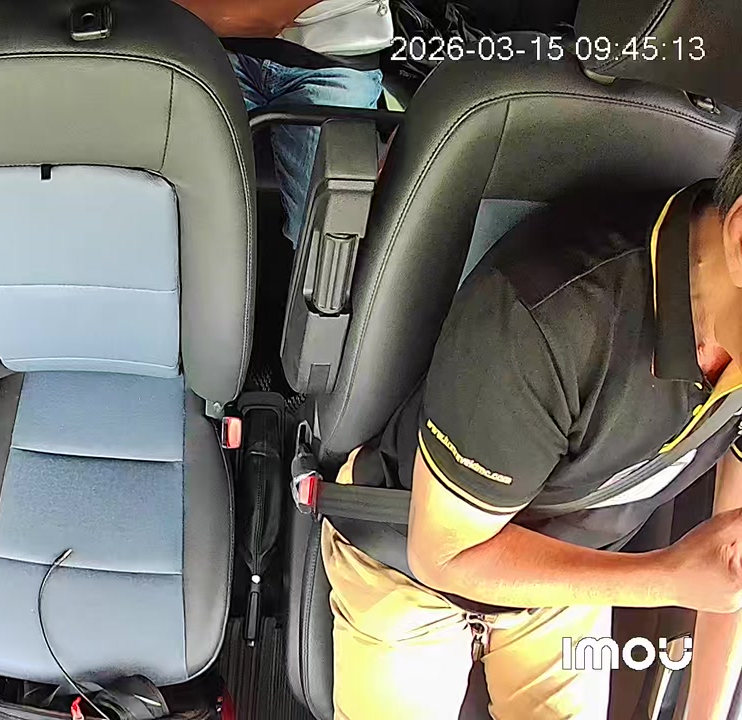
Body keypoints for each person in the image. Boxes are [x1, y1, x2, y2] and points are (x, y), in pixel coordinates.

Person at [318, 128, 742, 719]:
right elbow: (445, 554)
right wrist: (663, 578)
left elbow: (730, 566)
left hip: (571, 574)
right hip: (413, 560)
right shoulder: (551, 317)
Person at [173, 0, 384, 248]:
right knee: (174, 196)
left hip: (334, 61)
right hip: (223, 49)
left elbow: (257, 17)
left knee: (324, 234)